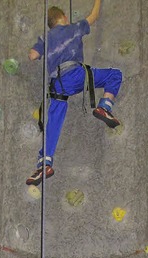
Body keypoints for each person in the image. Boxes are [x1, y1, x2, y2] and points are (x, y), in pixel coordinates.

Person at [26, 0, 123, 186]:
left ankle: (45, 163)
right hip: (77, 75)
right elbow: (93, 17)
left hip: (58, 84)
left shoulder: (45, 38)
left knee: (53, 122)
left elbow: (32, 55)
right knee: (114, 75)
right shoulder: (73, 28)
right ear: (63, 18)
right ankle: (104, 106)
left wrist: (43, 48)